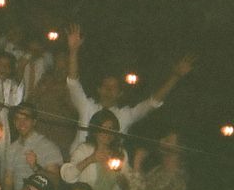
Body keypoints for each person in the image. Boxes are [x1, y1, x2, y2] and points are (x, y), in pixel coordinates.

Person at [65, 23, 196, 152]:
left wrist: (175, 76)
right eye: (106, 86)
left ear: (120, 93)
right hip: (79, 164)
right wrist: (73, 51)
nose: (109, 90)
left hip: (109, 167)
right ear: (99, 89)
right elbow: (73, 83)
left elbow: (152, 103)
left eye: (113, 87)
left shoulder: (125, 115)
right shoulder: (86, 106)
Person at [60, 109, 129, 190]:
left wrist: (120, 176)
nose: (108, 133)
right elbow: (67, 177)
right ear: (96, 131)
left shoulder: (120, 153)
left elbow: (126, 186)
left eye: (111, 129)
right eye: (104, 128)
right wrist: (91, 159)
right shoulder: (84, 149)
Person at [4, 103, 63, 190]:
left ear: (34, 121)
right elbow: (8, 181)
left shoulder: (48, 146)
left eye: (26, 119)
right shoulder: (12, 148)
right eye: (17, 119)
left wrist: (35, 167)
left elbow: (56, 181)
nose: (21, 123)